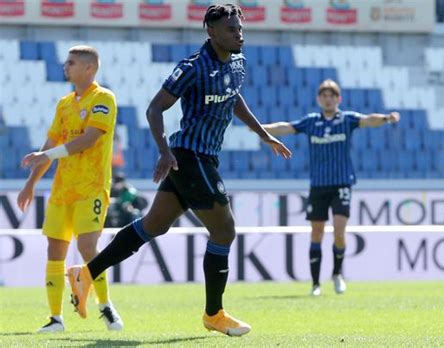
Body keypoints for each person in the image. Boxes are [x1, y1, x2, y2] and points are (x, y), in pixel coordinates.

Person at [67, 4, 291, 337]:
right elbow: (155, 107)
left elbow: (234, 98)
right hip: (189, 156)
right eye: (231, 29)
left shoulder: (239, 62)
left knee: (152, 226)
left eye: (240, 27)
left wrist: (263, 134)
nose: (238, 33)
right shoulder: (193, 67)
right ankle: (214, 314)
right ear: (211, 32)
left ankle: (85, 274)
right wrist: (164, 150)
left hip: (206, 157)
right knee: (225, 230)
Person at [17, 46, 123, 333]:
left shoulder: (104, 99)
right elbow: (50, 145)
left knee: (87, 247)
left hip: (91, 187)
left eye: (72, 62)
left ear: (89, 68)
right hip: (63, 190)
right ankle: (55, 319)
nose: (66, 66)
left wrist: (46, 157)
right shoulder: (64, 104)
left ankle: (105, 306)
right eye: (66, 62)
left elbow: (88, 141)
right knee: (54, 250)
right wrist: (30, 184)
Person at [262, 79, 400, 296]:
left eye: (332, 96)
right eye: (324, 96)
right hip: (318, 185)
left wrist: (385, 118)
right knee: (316, 233)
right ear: (319, 99)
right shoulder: (311, 122)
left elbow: (368, 120)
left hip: (342, 182)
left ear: (338, 99)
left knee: (339, 231)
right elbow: (286, 127)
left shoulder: (347, 119)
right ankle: (315, 284)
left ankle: (337, 274)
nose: (328, 100)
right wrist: (261, 129)